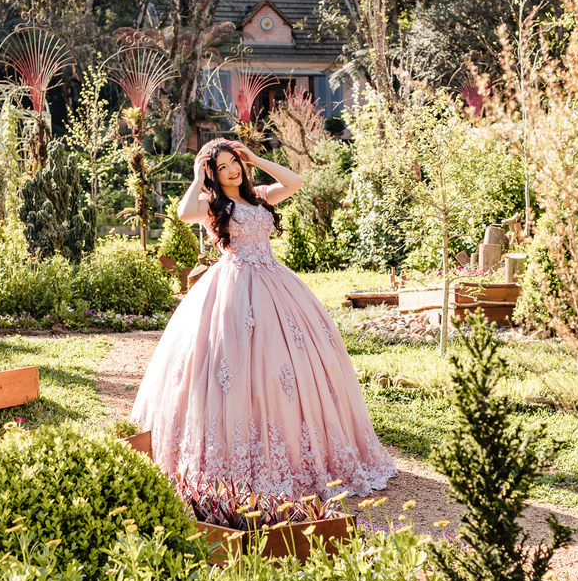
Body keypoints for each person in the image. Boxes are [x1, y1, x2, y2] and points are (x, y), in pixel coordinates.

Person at [131, 139, 397, 498]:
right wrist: (197, 177)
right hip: (233, 287)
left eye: (233, 162)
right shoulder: (212, 204)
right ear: (213, 174)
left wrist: (255, 158)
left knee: (290, 361)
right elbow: (184, 213)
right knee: (235, 365)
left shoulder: (259, 196)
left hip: (276, 284)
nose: (231, 170)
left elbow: (294, 182)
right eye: (222, 167)